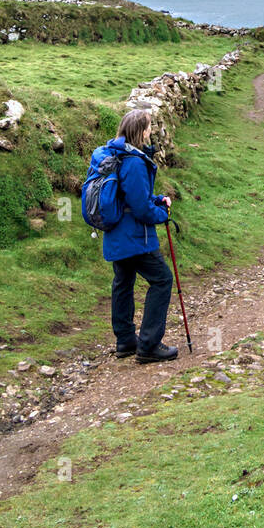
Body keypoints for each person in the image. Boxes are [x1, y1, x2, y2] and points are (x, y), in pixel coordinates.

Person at [89, 108, 178, 364]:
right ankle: (149, 345)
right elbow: (140, 209)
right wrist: (162, 214)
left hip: (116, 233)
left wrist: (156, 199)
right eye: (149, 127)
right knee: (162, 279)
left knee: (123, 282)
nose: (151, 131)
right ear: (141, 131)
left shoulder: (116, 155)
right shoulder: (135, 162)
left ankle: (126, 340)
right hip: (135, 238)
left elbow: (131, 195)